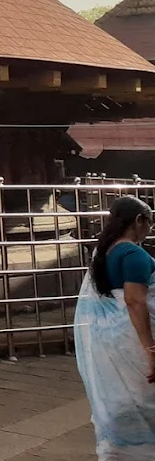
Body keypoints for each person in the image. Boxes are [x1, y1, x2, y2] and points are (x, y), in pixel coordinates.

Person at [75, 194, 155, 458]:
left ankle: (121, 451)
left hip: (109, 338)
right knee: (144, 396)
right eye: (150, 222)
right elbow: (134, 302)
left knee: (122, 395)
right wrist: (150, 348)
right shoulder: (134, 254)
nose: (150, 229)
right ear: (139, 220)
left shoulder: (104, 251)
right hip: (134, 338)